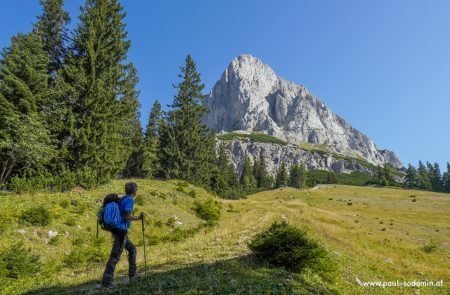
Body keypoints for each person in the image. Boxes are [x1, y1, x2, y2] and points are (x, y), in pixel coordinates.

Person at [101, 182, 143, 290]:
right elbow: (126, 216)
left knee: (132, 249)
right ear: (134, 190)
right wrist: (138, 218)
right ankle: (106, 283)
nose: (136, 191)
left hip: (117, 229)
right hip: (120, 230)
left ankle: (132, 275)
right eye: (136, 189)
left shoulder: (123, 198)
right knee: (115, 256)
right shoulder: (129, 200)